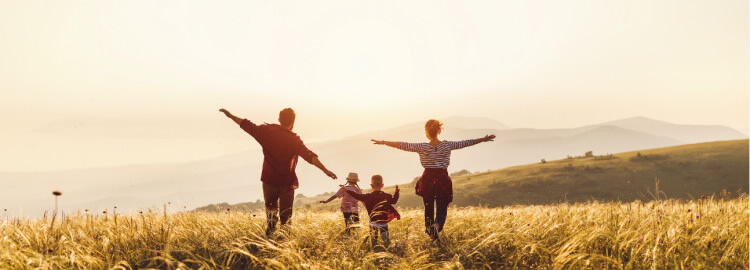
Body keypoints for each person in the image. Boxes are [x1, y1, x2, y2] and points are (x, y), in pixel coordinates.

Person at [220, 108, 337, 236]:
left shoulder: (267, 132)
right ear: (293, 121)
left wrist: (230, 116)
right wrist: (325, 170)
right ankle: (284, 243)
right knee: (286, 216)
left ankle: (269, 236)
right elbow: (310, 156)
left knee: (271, 210)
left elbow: (246, 125)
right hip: (287, 182)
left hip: (269, 180)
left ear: (279, 119)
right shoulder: (294, 140)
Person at [371, 119, 495, 241]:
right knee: (442, 207)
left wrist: (383, 142)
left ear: (427, 132)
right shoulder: (447, 145)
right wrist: (483, 139)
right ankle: (437, 225)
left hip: (428, 180)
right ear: (439, 131)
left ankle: (430, 230)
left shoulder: (422, 147)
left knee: (428, 207)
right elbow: (466, 143)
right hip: (443, 179)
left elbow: (402, 145)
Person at [345, 175, 400, 246]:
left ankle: (375, 248)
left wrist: (347, 190)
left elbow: (357, 196)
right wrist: (397, 193)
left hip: (373, 222)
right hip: (383, 222)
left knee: (374, 240)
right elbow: (394, 201)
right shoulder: (387, 196)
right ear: (383, 185)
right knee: (386, 239)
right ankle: (387, 247)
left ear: (371, 185)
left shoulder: (368, 196)